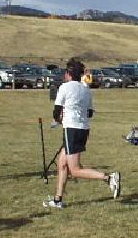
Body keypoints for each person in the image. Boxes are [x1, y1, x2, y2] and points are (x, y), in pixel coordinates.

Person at [45, 59, 121, 208]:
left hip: (72, 130)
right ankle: (57, 200)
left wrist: (59, 119)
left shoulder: (64, 87)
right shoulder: (86, 89)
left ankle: (108, 178)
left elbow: (56, 113)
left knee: (75, 170)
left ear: (68, 74)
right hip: (83, 130)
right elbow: (90, 113)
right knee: (62, 164)